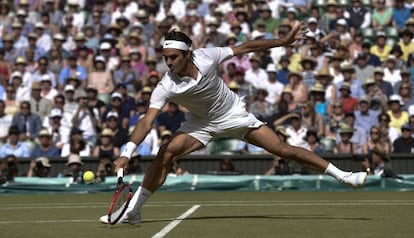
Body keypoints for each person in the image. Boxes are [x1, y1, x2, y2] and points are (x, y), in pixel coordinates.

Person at [99, 25, 367, 225]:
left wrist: (283, 41)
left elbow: (247, 46)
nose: (168, 62)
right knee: (165, 153)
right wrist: (126, 153)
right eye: (165, 57)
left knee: (283, 149)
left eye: (173, 57)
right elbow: (147, 120)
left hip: (233, 115)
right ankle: (133, 211)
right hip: (201, 124)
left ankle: (343, 175)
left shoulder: (207, 56)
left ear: (187, 54)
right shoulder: (165, 86)